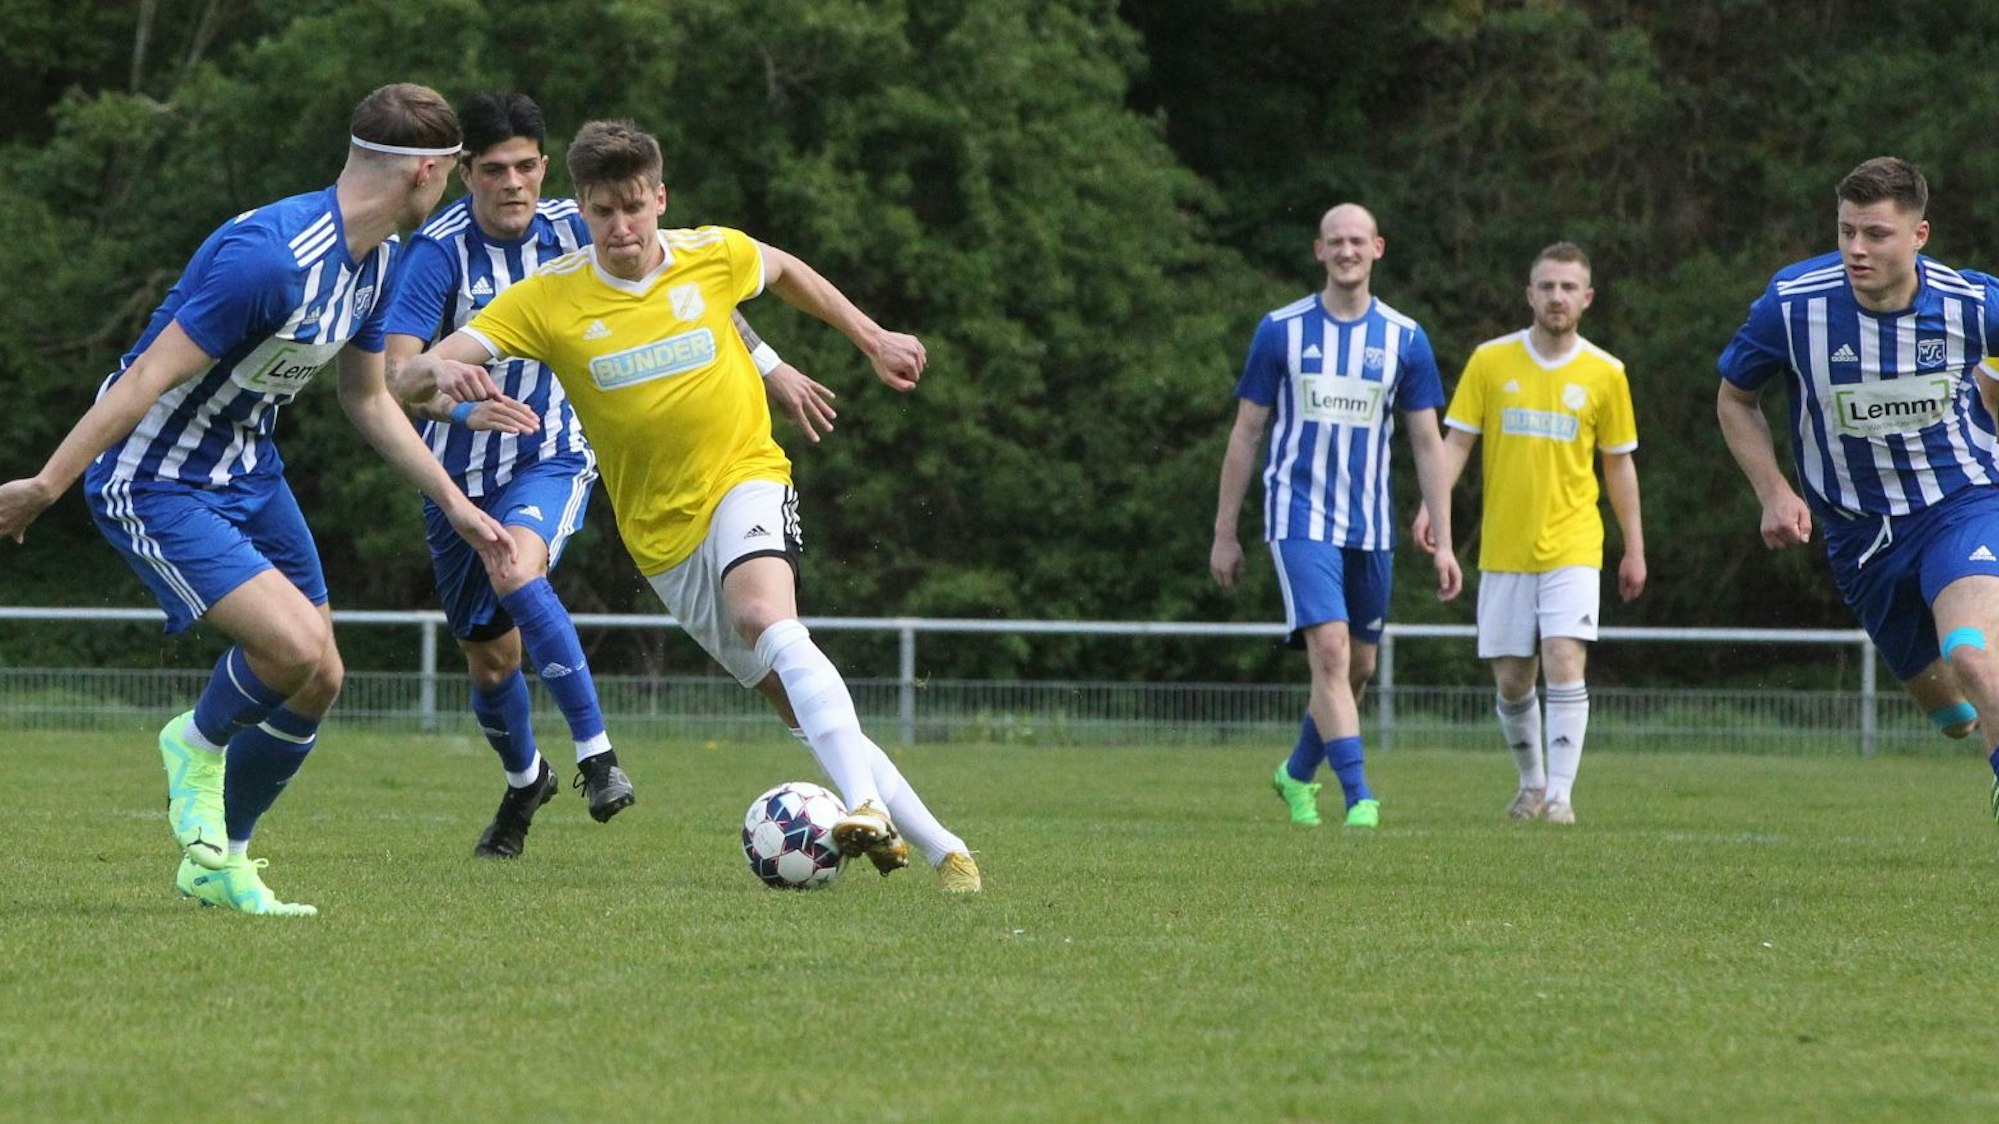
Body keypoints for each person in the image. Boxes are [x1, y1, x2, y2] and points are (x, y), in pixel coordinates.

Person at [395, 119, 981, 892]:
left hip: (746, 475)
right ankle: (946, 850)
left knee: (765, 618)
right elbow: (406, 379)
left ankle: (862, 802)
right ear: (584, 208)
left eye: (635, 207)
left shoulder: (712, 253)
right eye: (604, 212)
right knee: (789, 701)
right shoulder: (546, 300)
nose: (622, 227)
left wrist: (869, 337)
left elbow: (783, 269)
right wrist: (442, 375)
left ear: (659, 198)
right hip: (662, 538)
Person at [0, 84, 512, 914]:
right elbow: (143, 381)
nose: (455, 188)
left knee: (322, 675)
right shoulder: (270, 257)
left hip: (247, 469)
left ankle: (220, 861)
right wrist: (45, 486)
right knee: (292, 647)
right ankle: (193, 744)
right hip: (155, 474)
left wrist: (451, 499)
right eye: (456, 172)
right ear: (426, 171)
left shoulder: (378, 259)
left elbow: (369, 397)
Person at [383, 93, 837, 859]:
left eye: (527, 165)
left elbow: (691, 289)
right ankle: (526, 776)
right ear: (467, 175)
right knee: (492, 661)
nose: (515, 183)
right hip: (458, 473)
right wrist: (459, 413)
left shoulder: (584, 221)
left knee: (513, 563)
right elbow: (396, 378)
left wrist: (770, 365)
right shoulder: (438, 253)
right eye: (494, 170)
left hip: (553, 454)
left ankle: (597, 759)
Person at [1718, 156, 1999, 817]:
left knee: (1972, 653)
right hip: (1857, 539)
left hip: (1959, 505)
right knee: (1954, 715)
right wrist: (1771, 491)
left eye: (1874, 234)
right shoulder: (1792, 306)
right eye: (1846, 231)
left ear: (1918, 235)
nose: (1855, 249)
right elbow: (1735, 398)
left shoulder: (1971, 305)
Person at [1210, 203, 1462, 829]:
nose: (1347, 251)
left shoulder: (1406, 338)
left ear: (1378, 248)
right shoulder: (1281, 330)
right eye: (1335, 242)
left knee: (1360, 666)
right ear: (1318, 251)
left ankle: (1296, 772)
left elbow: (1429, 442)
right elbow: (1247, 432)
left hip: (1369, 523)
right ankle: (1360, 799)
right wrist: (1225, 532)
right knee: (1329, 651)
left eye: (1357, 241)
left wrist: (1447, 539)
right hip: (1298, 514)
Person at [1415, 241, 1647, 825]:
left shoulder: (1606, 372)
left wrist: (1634, 548)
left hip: (1574, 541)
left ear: (1587, 298)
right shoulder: (1491, 362)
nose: (1557, 297)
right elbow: (1458, 442)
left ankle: (1563, 797)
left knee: (1564, 657)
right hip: (1506, 546)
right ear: (1529, 294)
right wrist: (1430, 506)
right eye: (1547, 286)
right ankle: (1531, 784)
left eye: (1569, 287)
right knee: (1514, 677)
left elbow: (1618, 463)